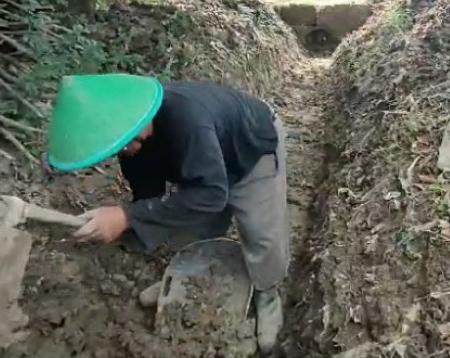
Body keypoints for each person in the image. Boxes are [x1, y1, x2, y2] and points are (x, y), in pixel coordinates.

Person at [47, 74, 289, 354]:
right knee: (194, 227)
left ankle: (268, 291)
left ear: (141, 115)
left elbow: (211, 194)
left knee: (262, 234)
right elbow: (148, 195)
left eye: (129, 139)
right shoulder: (133, 145)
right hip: (208, 154)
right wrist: (127, 224)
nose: (126, 149)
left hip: (251, 145)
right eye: (119, 145)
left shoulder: (187, 121)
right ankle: (189, 278)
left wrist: (126, 217)